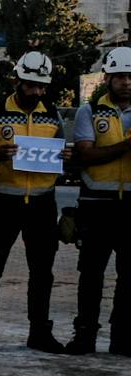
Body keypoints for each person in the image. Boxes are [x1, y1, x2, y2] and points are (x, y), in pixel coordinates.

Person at [0, 50, 66, 354]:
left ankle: (39, 331)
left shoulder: (52, 113)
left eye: (40, 86)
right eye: (29, 85)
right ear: (17, 81)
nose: (35, 91)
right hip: (4, 200)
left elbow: (61, 150)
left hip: (42, 202)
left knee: (42, 271)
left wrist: (66, 157)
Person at [67, 47, 131, 355]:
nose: (126, 82)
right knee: (91, 274)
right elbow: (87, 153)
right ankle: (85, 335)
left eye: (130, 76)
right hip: (96, 204)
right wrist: (125, 146)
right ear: (107, 78)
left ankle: (123, 338)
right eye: (120, 76)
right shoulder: (89, 111)